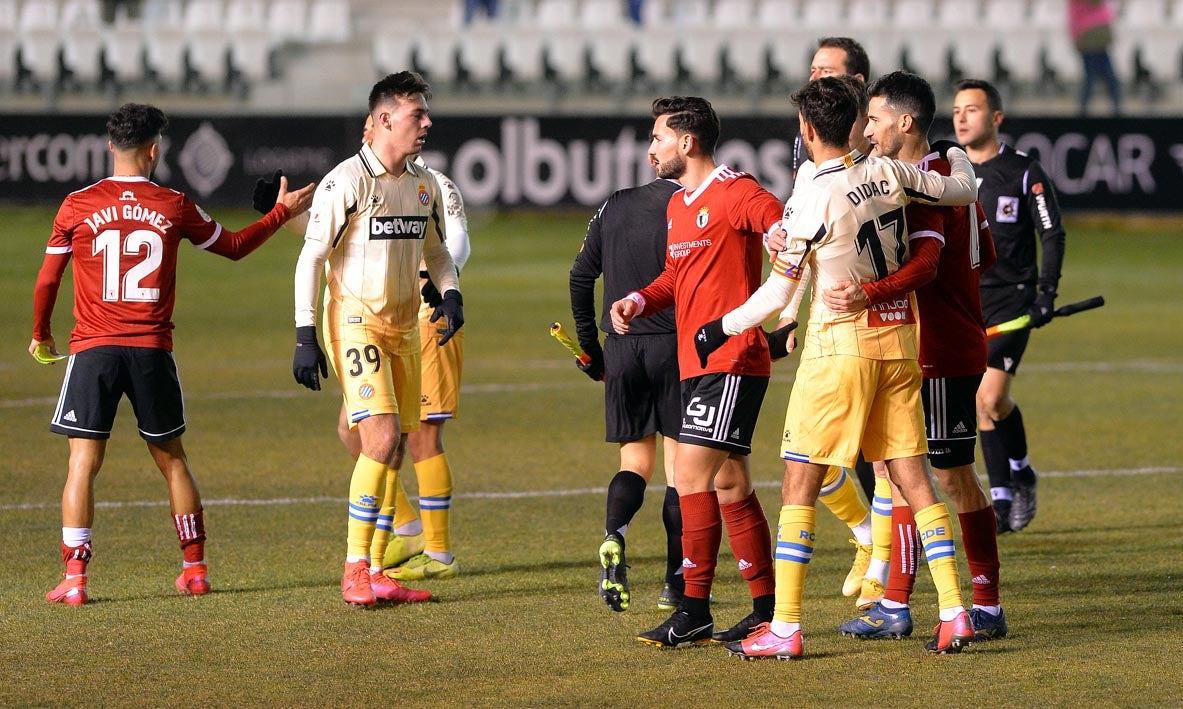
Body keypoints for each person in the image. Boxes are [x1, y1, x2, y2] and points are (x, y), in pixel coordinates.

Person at [695, 76, 980, 658]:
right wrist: (954, 154)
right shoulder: (891, 172)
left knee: (800, 479)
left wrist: (718, 327)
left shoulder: (812, 199)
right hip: (900, 343)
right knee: (913, 479)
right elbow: (963, 190)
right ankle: (954, 612)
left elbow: (777, 296)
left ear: (805, 131)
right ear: (854, 121)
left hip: (839, 348)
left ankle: (786, 627)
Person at [30, 102, 315, 606]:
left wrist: (41, 335)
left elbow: (49, 279)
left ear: (109, 146)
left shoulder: (76, 204)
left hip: (93, 350)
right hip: (151, 351)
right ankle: (195, 569)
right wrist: (279, 213)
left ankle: (75, 581)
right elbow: (232, 246)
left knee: (82, 464)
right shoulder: (173, 204)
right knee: (173, 462)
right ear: (154, 150)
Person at [825, 70, 1009, 643]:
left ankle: (983, 603)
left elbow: (927, 265)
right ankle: (897, 602)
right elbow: (988, 255)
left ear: (905, 122)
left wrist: (869, 290)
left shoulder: (925, 183)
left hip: (936, 348)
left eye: (876, 118)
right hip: (932, 343)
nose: (869, 128)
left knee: (947, 477)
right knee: (897, 470)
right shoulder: (950, 174)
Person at [255, 117, 471, 583]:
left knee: (418, 436)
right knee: (358, 432)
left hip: (425, 320)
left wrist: (444, 288)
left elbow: (452, 245)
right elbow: (338, 238)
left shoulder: (434, 185)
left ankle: (433, 550)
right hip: (368, 321)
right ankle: (402, 532)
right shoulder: (357, 179)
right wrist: (279, 214)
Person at [609, 96, 783, 648]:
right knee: (730, 483)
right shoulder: (679, 205)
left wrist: (780, 234)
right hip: (697, 364)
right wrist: (639, 299)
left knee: (688, 477)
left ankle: (693, 606)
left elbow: (773, 215)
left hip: (730, 361)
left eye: (657, 137)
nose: (650, 148)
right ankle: (764, 608)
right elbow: (675, 277)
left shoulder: (733, 191)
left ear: (686, 142)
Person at [952, 79, 1068, 534]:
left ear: (996, 118)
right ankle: (1017, 475)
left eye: (972, 109)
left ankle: (1001, 504)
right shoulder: (948, 173)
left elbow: (1052, 234)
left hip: (1013, 303)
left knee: (990, 396)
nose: (961, 117)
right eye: (957, 109)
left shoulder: (1024, 171)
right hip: (966, 305)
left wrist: (1046, 294)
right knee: (986, 407)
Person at [569, 161, 683, 613]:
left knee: (634, 460)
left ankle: (614, 535)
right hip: (675, 346)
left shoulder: (613, 204)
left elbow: (580, 277)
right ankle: (676, 584)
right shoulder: (689, 205)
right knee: (681, 472)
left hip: (621, 347)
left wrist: (589, 347)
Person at [1069, 0, 1121, 116]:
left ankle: (1115, 109)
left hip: (1096, 41)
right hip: (1090, 40)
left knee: (1103, 79)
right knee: (1095, 79)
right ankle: (1083, 111)